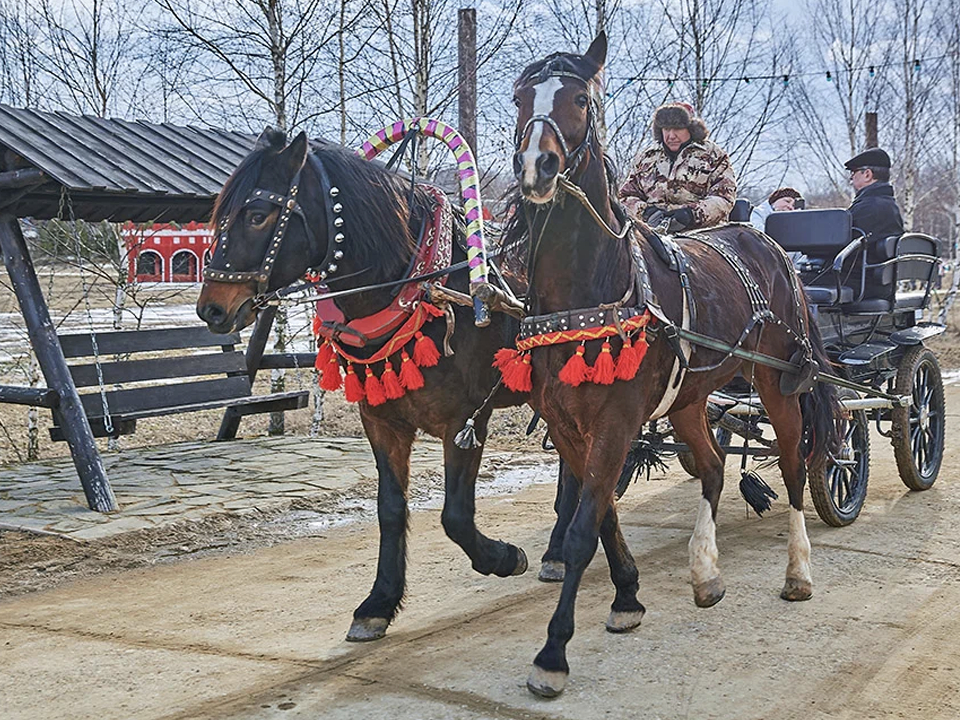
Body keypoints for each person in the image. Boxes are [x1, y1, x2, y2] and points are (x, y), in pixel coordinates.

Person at [620, 102, 736, 232]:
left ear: (691, 129)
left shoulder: (713, 155)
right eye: (666, 129)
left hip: (701, 234)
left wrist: (692, 214)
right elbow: (625, 196)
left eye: (677, 129)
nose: (671, 135)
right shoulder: (646, 157)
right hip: (651, 233)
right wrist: (645, 211)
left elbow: (724, 197)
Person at [844, 148, 904, 239]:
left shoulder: (866, 208)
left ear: (867, 174)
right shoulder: (891, 205)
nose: (851, 177)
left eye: (854, 172)